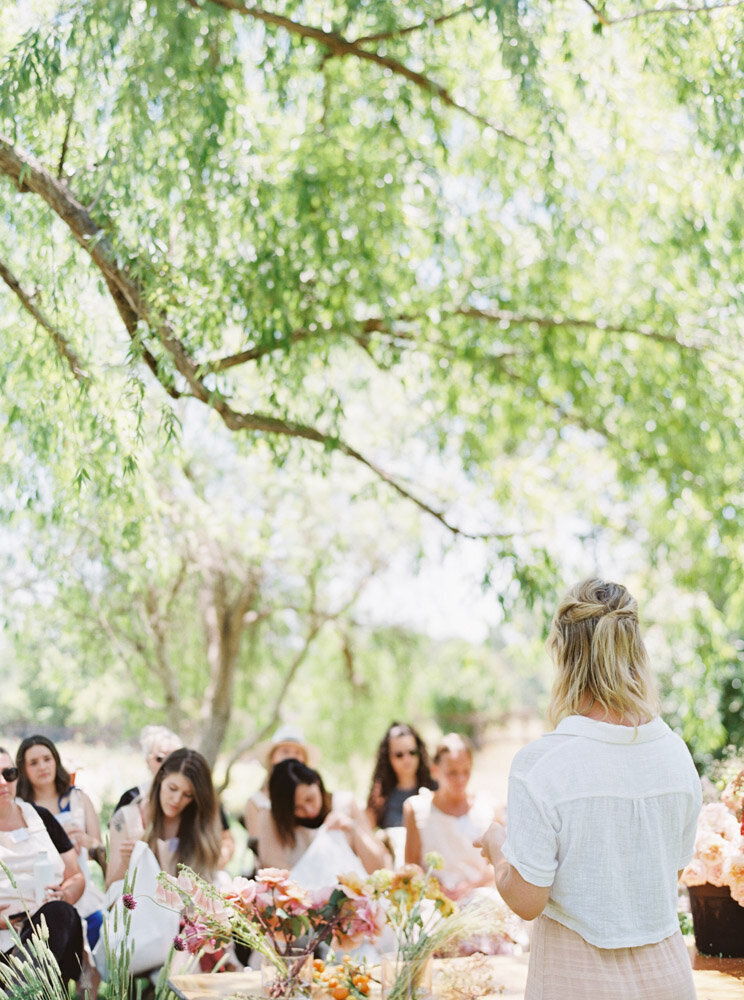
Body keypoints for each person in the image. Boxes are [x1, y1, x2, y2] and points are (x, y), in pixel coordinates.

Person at [478, 578, 702, 1000]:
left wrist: (496, 848)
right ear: (635, 651)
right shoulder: (675, 754)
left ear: (563, 653)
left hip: (576, 981)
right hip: (669, 981)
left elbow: (527, 901)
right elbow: (664, 877)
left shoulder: (542, 764)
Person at [0, 745, 85, 984]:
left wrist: (65, 893)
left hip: (50, 931)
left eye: (8, 774)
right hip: (3, 935)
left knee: (59, 913)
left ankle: (20, 991)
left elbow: (76, 875)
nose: (3, 782)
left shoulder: (41, 817)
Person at [15, 734, 105, 950]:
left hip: (82, 888)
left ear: (56, 760)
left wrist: (85, 841)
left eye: (47, 759)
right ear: (23, 769)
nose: (42, 767)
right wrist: (55, 836)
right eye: (33, 763)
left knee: (99, 927)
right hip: (42, 893)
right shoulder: (20, 808)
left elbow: (99, 849)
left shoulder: (78, 799)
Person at [112, 726, 235, 868]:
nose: (177, 799)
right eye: (160, 758)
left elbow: (226, 839)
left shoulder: (201, 808)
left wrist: (216, 860)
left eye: (188, 795)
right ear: (147, 760)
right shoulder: (131, 803)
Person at [404, 733, 501, 900]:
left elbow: (499, 866)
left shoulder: (488, 807)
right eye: (452, 773)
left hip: (479, 895)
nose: (460, 779)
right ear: (435, 771)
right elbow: (412, 867)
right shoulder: (417, 808)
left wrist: (469, 887)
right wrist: (436, 889)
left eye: (466, 771)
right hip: (434, 899)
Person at [107, 747, 222, 887]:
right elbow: (110, 893)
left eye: (188, 795)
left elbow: (206, 884)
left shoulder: (199, 824)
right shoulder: (126, 819)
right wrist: (126, 864)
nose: (176, 800)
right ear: (161, 777)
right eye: (172, 788)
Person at [257, 759, 389, 878]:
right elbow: (272, 866)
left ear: (317, 783)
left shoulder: (344, 804)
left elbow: (380, 868)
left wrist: (354, 829)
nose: (309, 810)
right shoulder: (270, 817)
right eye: (297, 808)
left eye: (310, 799)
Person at [243, 724, 319, 844]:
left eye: (297, 753)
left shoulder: (314, 796)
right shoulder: (256, 802)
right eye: (285, 751)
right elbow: (257, 843)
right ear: (272, 757)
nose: (291, 758)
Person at [366, 721, 436, 829]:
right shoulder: (380, 795)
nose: (406, 759)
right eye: (399, 755)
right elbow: (367, 831)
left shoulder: (434, 788)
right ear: (388, 758)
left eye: (412, 752)